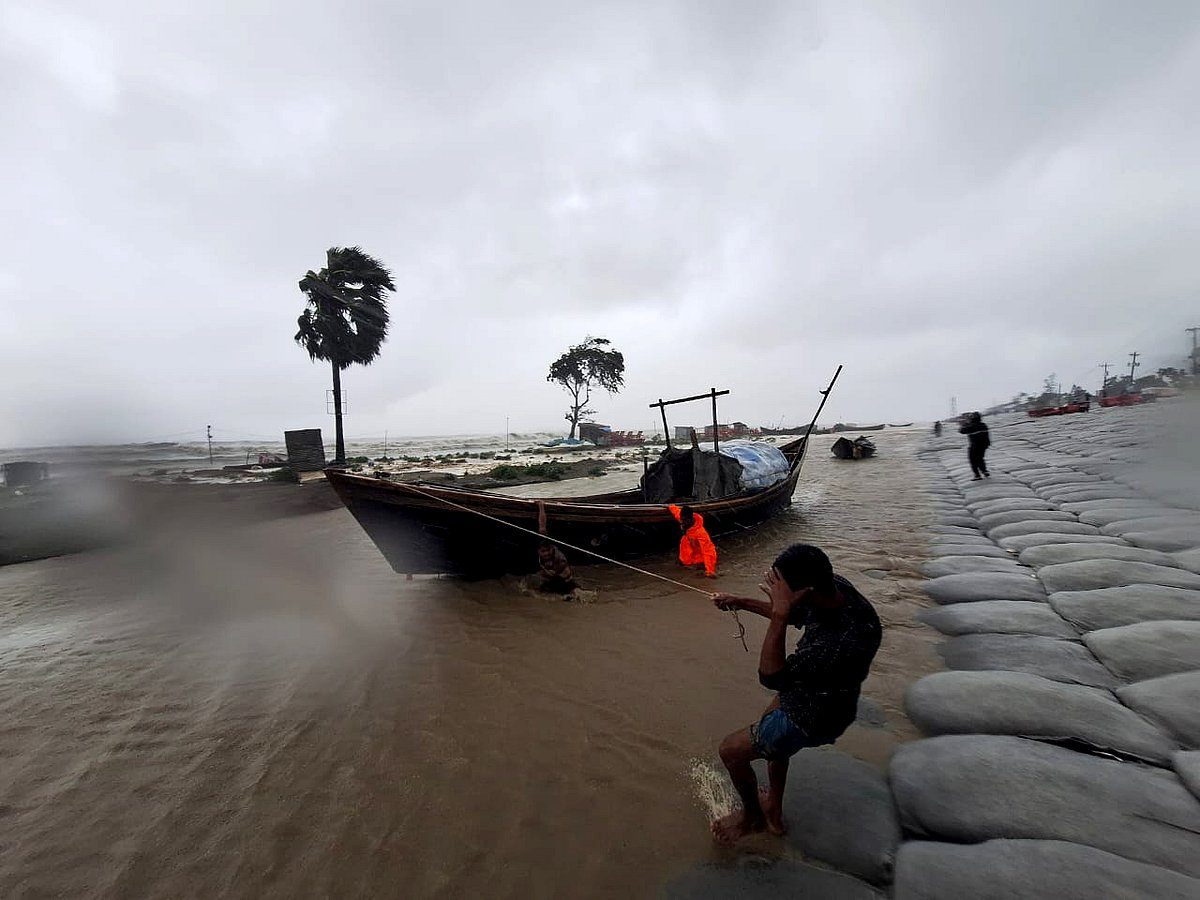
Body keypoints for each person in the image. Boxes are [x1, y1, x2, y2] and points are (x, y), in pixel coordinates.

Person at [708, 544, 881, 844]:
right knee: (769, 733)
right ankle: (773, 809)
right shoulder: (835, 588)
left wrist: (778, 616)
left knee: (731, 751)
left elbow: (771, 676)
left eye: (780, 590)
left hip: (814, 714)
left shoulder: (836, 643)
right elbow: (793, 614)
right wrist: (741, 602)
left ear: (805, 592)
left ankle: (752, 820)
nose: (775, 594)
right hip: (819, 691)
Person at [536, 501, 577, 595]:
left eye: (548, 551)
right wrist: (541, 506)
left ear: (552, 549)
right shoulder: (542, 541)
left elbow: (564, 577)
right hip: (550, 574)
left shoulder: (559, 560)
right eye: (543, 551)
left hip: (562, 579)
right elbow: (542, 525)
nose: (546, 553)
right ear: (538, 551)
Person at [669, 503, 717, 577]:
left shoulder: (701, 533)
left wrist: (710, 570)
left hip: (698, 559)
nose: (681, 522)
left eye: (684, 520)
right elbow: (676, 512)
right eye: (681, 519)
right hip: (687, 555)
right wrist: (671, 506)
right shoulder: (683, 519)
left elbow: (708, 551)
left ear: (690, 519)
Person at [958, 411, 991, 479]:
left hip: (975, 445)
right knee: (980, 459)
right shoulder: (983, 425)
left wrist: (963, 424)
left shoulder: (972, 426)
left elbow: (962, 431)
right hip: (984, 445)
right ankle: (984, 471)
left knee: (973, 460)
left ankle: (977, 475)